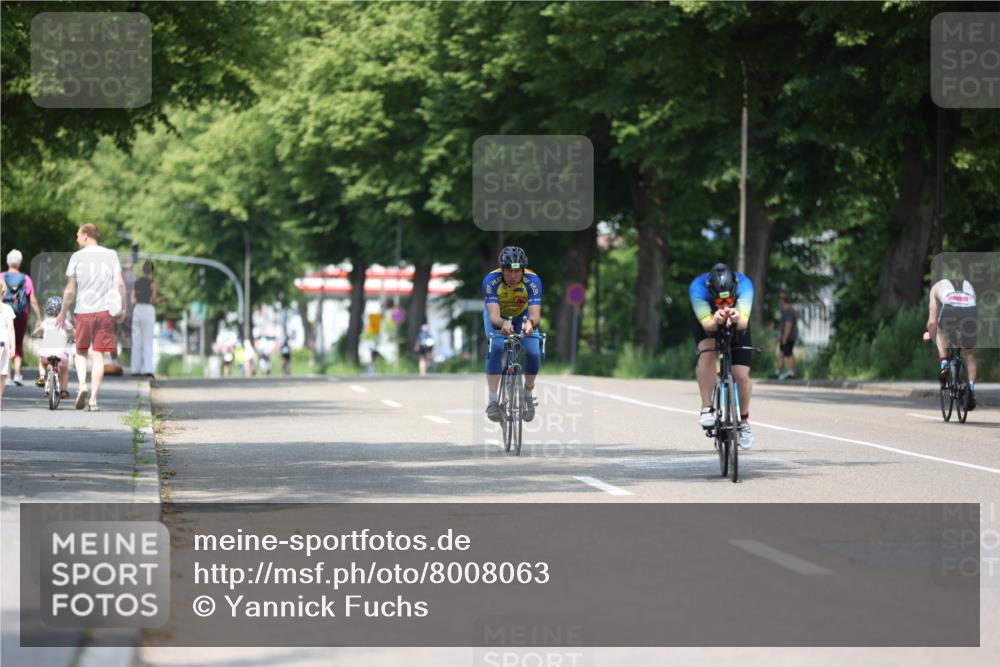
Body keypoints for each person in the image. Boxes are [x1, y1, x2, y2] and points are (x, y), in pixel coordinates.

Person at [56, 223, 127, 411]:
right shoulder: (111, 255)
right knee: (98, 356)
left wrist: (63, 312)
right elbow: (119, 283)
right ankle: (94, 400)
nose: (76, 238)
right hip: (105, 312)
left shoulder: (77, 257)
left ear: (86, 236)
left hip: (83, 312)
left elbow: (70, 289)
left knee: (80, 352)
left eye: (78, 235)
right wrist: (124, 307)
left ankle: (82, 385)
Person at [689, 262, 756, 450]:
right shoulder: (698, 288)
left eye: (729, 300)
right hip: (708, 319)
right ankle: (707, 407)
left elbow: (742, 323)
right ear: (711, 294)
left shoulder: (745, 285)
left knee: (741, 374)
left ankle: (743, 421)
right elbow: (708, 326)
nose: (725, 304)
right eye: (720, 301)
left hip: (738, 318)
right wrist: (715, 319)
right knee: (708, 352)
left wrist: (735, 317)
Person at [482, 246, 543, 422]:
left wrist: (530, 323)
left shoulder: (533, 281)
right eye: (508, 271)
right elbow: (493, 316)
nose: (513, 276)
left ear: (523, 270)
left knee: (533, 352)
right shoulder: (491, 281)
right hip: (498, 316)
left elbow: (535, 314)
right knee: (497, 347)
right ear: (502, 270)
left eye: (517, 271)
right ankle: (493, 401)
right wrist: (502, 323)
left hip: (523, 316)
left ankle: (528, 395)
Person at [927, 277, 978, 410]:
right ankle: (971, 389)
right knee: (969, 353)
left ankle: (944, 365)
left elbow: (932, 320)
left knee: (940, 331)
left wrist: (930, 333)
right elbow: (969, 310)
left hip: (950, 308)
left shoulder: (935, 288)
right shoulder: (969, 285)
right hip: (971, 309)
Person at [2, 249, 43, 386]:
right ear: (19, 263)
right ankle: (17, 375)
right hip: (21, 314)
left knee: (4, 343)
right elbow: (32, 300)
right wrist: (38, 318)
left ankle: (6, 375)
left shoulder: (1, 277)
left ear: (8, 261)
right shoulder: (26, 279)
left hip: (3, 313)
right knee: (18, 343)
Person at [32, 296, 73, 401]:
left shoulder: (45, 323)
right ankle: (64, 390)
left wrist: (34, 334)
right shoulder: (64, 321)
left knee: (42, 363)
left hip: (46, 354)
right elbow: (74, 332)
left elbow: (37, 332)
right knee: (64, 370)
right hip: (61, 354)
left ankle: (42, 376)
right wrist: (76, 338)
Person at [130, 260, 157, 377]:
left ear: (143, 270)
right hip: (148, 311)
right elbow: (154, 300)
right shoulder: (152, 283)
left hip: (138, 310)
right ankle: (148, 370)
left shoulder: (137, 282)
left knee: (136, 341)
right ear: (152, 270)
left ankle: (135, 370)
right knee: (148, 340)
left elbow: (132, 300)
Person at [770, 290, 798, 380]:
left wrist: (785, 338)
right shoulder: (785, 311)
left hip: (788, 337)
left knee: (789, 353)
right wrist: (780, 337)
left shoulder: (789, 311)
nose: (779, 302)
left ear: (783, 301)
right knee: (781, 354)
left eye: (780, 300)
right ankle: (778, 372)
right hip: (784, 337)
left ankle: (791, 372)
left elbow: (788, 326)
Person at [0, 280, 17, 408]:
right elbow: (11, 328)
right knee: (2, 373)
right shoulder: (7, 309)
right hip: (3, 343)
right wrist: (13, 347)